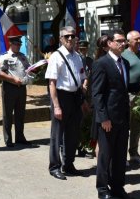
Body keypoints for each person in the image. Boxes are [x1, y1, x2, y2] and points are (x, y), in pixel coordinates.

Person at [91, 30, 131, 199]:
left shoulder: (125, 63)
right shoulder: (102, 63)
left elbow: (123, 88)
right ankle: (102, 189)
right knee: (105, 156)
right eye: (119, 41)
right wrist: (104, 118)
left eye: (124, 41)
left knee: (121, 155)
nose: (123, 44)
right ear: (110, 43)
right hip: (108, 119)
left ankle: (117, 187)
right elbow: (97, 93)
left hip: (123, 118)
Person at [45, 26, 87, 180]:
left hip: (75, 97)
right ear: (61, 39)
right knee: (57, 134)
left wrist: (83, 89)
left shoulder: (77, 56)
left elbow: (82, 76)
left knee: (73, 133)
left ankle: (68, 164)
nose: (70, 39)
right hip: (61, 98)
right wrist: (56, 106)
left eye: (73, 36)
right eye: (67, 36)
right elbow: (52, 83)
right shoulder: (56, 56)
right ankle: (54, 166)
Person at [0, 35, 31, 147]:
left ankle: (20, 137)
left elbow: (28, 69)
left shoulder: (23, 57)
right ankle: (8, 139)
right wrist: (12, 79)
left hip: (21, 88)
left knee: (20, 114)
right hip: (9, 88)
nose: (18, 46)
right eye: (16, 44)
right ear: (11, 44)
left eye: (19, 44)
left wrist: (34, 71)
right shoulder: (4, 57)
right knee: (8, 114)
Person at [121, 30, 140, 166]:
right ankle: (121, 156)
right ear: (128, 41)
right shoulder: (123, 55)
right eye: (136, 39)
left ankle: (134, 154)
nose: (139, 41)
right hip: (127, 95)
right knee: (125, 127)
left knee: (136, 126)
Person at [76, 40, 93, 157]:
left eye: (84, 49)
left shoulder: (90, 61)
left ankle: (85, 146)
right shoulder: (76, 60)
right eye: (81, 49)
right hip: (80, 94)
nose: (83, 51)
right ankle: (79, 148)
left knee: (88, 121)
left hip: (90, 94)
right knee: (80, 122)